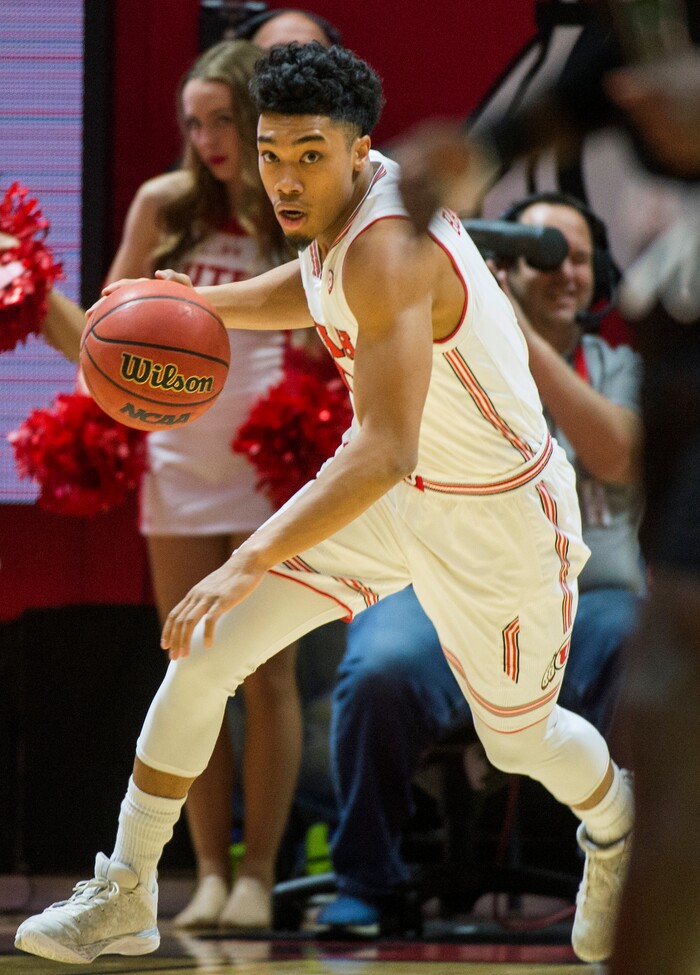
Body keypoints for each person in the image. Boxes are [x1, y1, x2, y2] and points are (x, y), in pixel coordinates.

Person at [15, 42, 633, 966]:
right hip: (400, 492)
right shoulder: (347, 214)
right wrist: (209, 307)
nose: (285, 177)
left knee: (520, 741)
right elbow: (312, 292)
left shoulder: (389, 243)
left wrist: (244, 555)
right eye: (270, 153)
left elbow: (382, 451)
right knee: (208, 646)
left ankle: (616, 830)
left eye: (309, 154)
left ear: (359, 149)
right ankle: (128, 889)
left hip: (494, 514)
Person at [392, 7, 700, 973]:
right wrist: (454, 166)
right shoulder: (637, 28)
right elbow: (516, 132)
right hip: (684, 351)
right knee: (666, 692)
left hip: (587, 575)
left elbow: (610, 452)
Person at [315, 191, 644, 936]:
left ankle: (623, 864)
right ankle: (366, 880)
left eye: (579, 257)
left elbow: (616, 453)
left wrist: (520, 332)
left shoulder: (617, 364)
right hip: (442, 580)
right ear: (496, 263)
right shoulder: (437, 344)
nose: (565, 272)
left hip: (590, 597)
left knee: (641, 647)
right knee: (380, 667)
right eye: (543, 255)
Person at [37, 38, 304, 932]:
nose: (209, 138)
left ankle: (262, 872)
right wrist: (35, 298)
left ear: (252, 114)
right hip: (180, 467)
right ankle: (208, 876)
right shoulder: (164, 205)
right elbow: (103, 341)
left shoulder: (288, 207)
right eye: (194, 123)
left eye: (223, 119)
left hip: (273, 461)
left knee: (265, 674)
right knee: (192, 668)